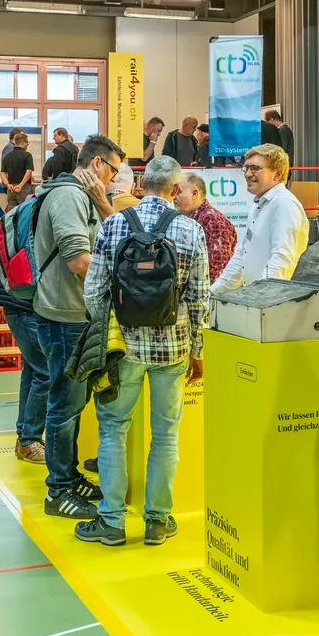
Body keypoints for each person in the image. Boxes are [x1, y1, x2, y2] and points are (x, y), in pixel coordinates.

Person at [75, 155, 210, 546]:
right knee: (166, 436)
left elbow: (95, 292)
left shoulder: (114, 224)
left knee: (114, 431)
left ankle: (112, 522)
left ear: (139, 186)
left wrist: (108, 338)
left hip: (125, 351)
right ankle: (157, 521)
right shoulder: (189, 230)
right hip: (174, 348)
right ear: (174, 189)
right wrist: (196, 350)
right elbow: (199, 298)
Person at [32, 134, 120, 520]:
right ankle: (59, 490)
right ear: (97, 165)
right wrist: (122, 281)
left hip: (76, 314)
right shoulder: (68, 197)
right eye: (114, 170)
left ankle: (68, 476)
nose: (117, 179)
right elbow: (79, 260)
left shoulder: (81, 196)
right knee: (64, 407)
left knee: (74, 403)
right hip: (64, 316)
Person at [0, 195, 48, 466]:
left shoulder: (28, 208)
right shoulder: (44, 212)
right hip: (23, 302)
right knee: (45, 370)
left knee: (34, 369)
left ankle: (25, 436)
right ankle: (28, 440)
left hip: (17, 298)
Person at [210, 143, 309, 294]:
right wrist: (213, 292)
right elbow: (242, 255)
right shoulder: (258, 204)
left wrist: (259, 296)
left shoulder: (284, 204)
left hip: (274, 303)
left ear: (277, 174)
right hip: (258, 302)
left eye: (255, 168)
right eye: (246, 168)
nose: (248, 174)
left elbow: (282, 260)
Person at [174, 172, 237, 282]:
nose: (174, 196)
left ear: (194, 194)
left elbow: (218, 270)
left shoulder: (213, 221)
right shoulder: (193, 219)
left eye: (178, 192)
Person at [0, 131, 35, 209]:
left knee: (11, 215)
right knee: (24, 213)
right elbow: (29, 172)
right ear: (22, 143)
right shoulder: (27, 155)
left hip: (11, 190)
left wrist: (8, 184)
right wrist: (20, 185)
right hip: (24, 189)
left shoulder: (7, 156)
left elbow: (2, 173)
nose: (27, 145)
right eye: (27, 143)